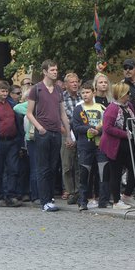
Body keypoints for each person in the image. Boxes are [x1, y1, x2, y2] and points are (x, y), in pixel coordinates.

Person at [26, 60, 70, 212]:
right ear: (45, 72)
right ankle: (44, 201)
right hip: (43, 132)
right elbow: (29, 113)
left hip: (56, 132)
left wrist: (68, 134)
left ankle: (50, 198)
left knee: (53, 167)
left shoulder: (58, 89)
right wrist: (40, 128)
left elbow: (63, 113)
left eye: (56, 69)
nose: (55, 72)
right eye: (52, 70)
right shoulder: (36, 89)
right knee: (43, 168)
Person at [72, 84, 110, 210]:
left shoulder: (101, 107)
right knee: (84, 174)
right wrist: (90, 129)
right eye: (83, 93)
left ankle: (103, 201)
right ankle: (83, 201)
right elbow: (76, 127)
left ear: (93, 93)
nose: (85, 95)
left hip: (100, 146)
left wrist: (98, 132)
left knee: (103, 172)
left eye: (88, 92)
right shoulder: (78, 109)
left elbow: (107, 124)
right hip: (85, 146)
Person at [101, 82, 135, 210]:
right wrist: (125, 134)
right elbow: (107, 128)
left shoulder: (129, 106)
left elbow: (133, 121)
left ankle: (127, 194)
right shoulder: (112, 108)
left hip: (127, 145)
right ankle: (116, 201)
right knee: (115, 172)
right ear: (121, 94)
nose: (129, 95)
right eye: (127, 93)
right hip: (114, 145)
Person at [60, 72, 81, 205]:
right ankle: (70, 191)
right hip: (66, 132)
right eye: (72, 82)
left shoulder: (82, 96)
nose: (75, 84)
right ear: (66, 84)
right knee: (67, 165)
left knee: (79, 164)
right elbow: (58, 118)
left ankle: (79, 191)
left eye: (76, 81)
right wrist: (67, 135)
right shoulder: (60, 98)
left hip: (80, 133)